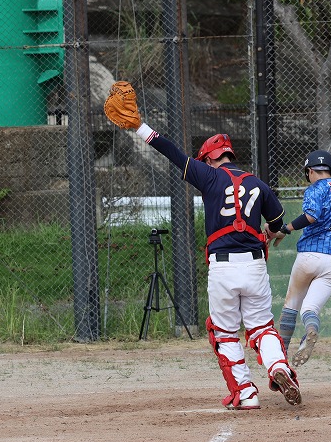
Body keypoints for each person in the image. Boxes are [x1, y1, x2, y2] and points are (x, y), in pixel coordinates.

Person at [123, 117, 301, 409]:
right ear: (230, 155)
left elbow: (171, 151)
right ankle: (278, 366)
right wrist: (269, 232)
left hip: (223, 267)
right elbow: (277, 220)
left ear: (208, 159)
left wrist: (139, 126)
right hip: (254, 266)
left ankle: (246, 394)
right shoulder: (256, 183)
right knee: (261, 327)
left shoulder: (207, 175)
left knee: (224, 333)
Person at [264, 150, 331, 368]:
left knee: (291, 307)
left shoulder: (314, 189)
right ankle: (310, 330)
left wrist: (284, 229)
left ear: (309, 171)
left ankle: (280, 359)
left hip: (310, 254)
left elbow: (311, 216)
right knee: (310, 308)